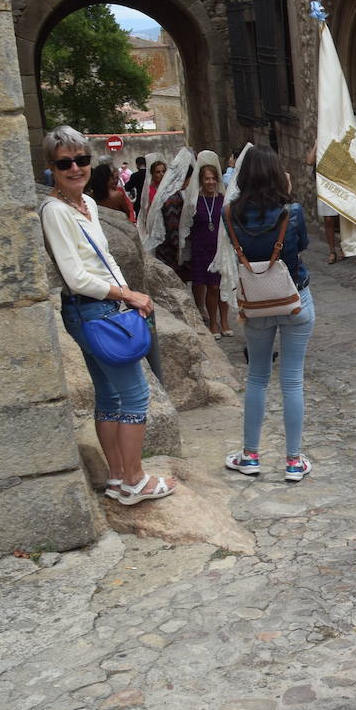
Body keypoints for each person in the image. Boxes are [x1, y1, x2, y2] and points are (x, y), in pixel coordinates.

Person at [38, 125, 174, 506]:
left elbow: (106, 258)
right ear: (52, 167)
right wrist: (127, 293)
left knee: (110, 394)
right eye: (65, 163)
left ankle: (117, 478)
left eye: (82, 160)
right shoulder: (55, 211)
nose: (76, 168)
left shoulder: (89, 205)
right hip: (91, 310)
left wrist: (128, 295)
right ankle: (135, 479)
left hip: (103, 308)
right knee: (135, 395)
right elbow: (76, 276)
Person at [223, 145, 316, 483]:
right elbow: (302, 246)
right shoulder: (291, 212)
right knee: (292, 379)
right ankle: (293, 461)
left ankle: (250, 455)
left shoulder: (229, 213)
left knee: (258, 378)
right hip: (294, 299)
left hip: (257, 303)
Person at [187, 154, 231, 338]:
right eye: (207, 178)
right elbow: (187, 225)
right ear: (201, 180)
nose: (211, 182)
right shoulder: (195, 200)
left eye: (214, 178)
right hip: (203, 248)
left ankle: (225, 321)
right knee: (212, 287)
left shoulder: (223, 199)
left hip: (221, 247)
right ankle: (213, 322)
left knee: (224, 286)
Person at [309, 143, 344, 265]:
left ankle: (343, 248)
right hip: (324, 187)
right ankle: (332, 251)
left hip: (338, 184)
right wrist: (316, 144)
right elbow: (309, 161)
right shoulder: (319, 141)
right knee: (328, 219)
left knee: (342, 218)